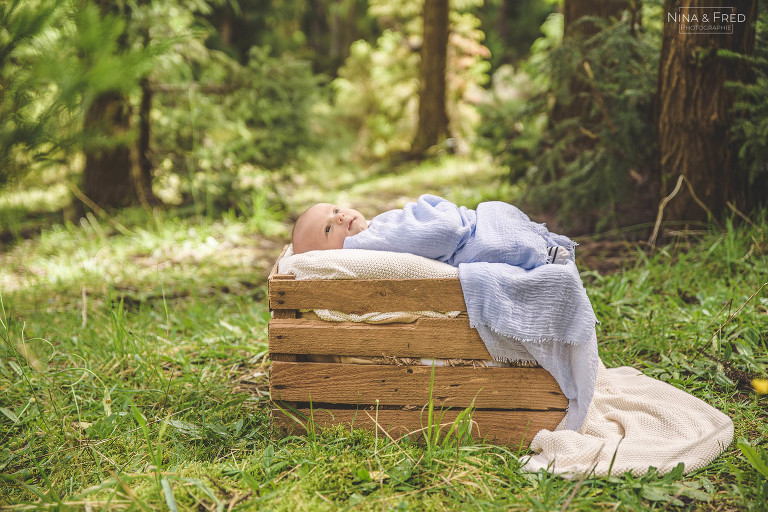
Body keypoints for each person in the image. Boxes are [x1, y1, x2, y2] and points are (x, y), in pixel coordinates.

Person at [291, 195, 571, 268]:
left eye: (336, 210)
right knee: (498, 246)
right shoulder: (368, 245)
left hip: (464, 227)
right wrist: (430, 205)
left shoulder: (373, 228)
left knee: (500, 221)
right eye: (328, 228)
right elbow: (441, 234)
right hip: (464, 240)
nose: (340, 218)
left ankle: (542, 247)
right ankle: (541, 255)